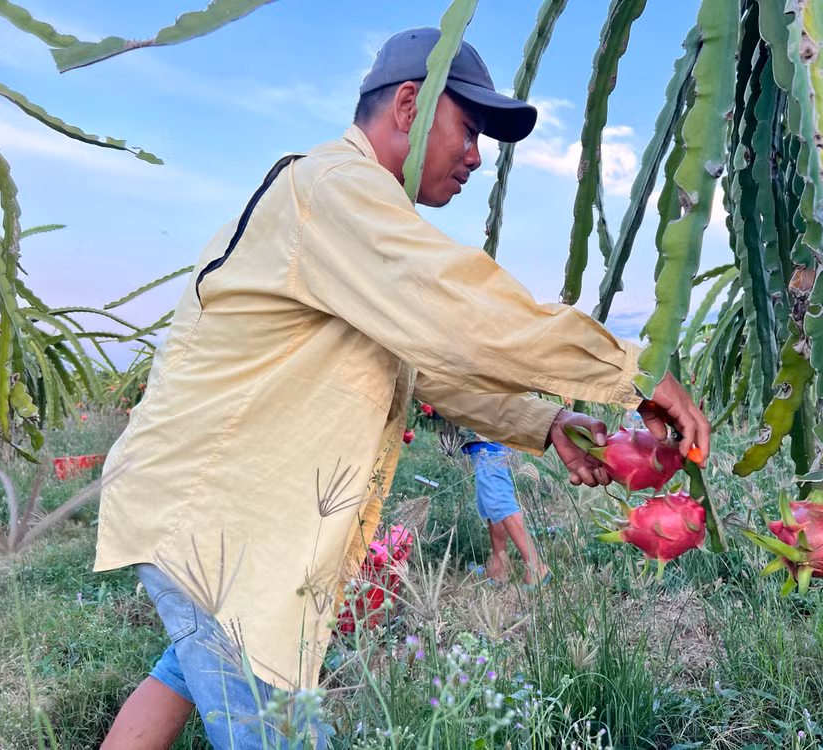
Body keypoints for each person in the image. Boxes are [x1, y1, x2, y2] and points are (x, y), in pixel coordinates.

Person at [98, 27, 710, 749]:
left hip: (211, 517)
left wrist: (545, 423)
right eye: (469, 129)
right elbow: (461, 311)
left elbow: (426, 370)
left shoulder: (346, 218)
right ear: (410, 106)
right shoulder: (335, 190)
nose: (478, 156)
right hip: (217, 527)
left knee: (183, 671)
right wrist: (630, 370)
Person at [462, 438, 549, 585]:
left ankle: (536, 567)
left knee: (499, 501)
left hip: (488, 442)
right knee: (490, 503)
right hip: (492, 443)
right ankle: (499, 566)